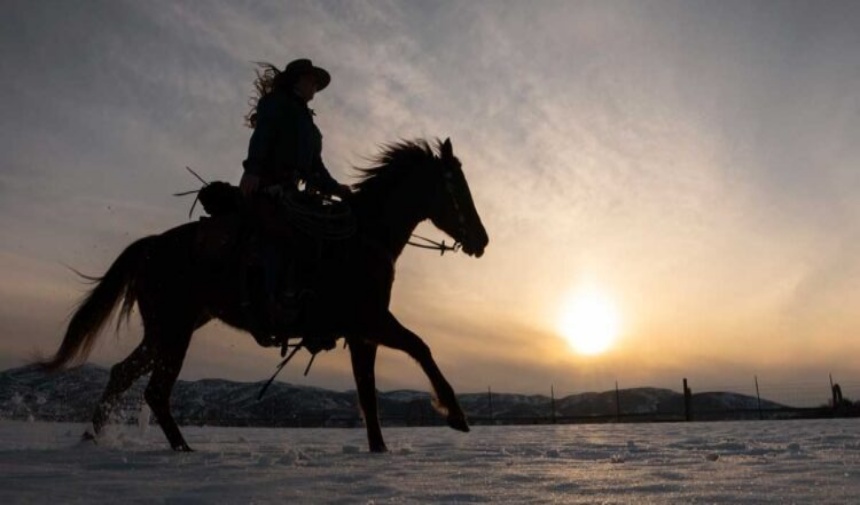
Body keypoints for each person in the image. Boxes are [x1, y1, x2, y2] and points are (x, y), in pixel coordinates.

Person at [238, 58, 349, 346]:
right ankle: (273, 303)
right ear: (298, 79)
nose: (315, 86)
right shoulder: (276, 104)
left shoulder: (309, 124)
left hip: (292, 192)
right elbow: (262, 138)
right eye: (312, 80)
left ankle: (312, 307)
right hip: (269, 185)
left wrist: (337, 188)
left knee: (326, 234)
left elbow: (315, 167)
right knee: (281, 234)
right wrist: (253, 172)